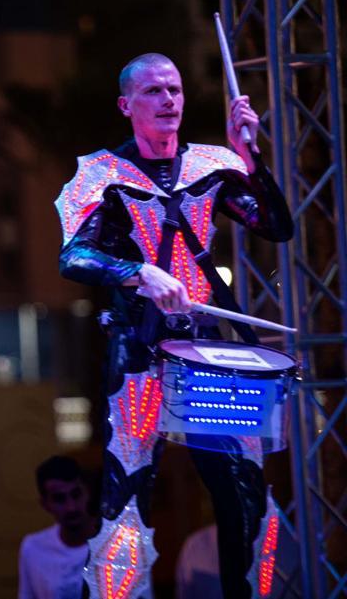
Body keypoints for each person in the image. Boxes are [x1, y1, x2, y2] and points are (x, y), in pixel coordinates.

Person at [55, 53, 293, 599]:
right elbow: (75, 258)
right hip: (139, 351)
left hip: (207, 353)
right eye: (155, 92)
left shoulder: (211, 163)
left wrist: (250, 156)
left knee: (244, 491)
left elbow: (276, 225)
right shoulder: (100, 174)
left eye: (176, 90)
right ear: (126, 105)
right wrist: (138, 272)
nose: (169, 100)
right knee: (129, 485)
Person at [18, 456, 98, 599]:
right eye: (59, 499)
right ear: (45, 505)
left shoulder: (116, 543)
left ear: (88, 492)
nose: (71, 507)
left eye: (76, 494)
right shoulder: (33, 548)